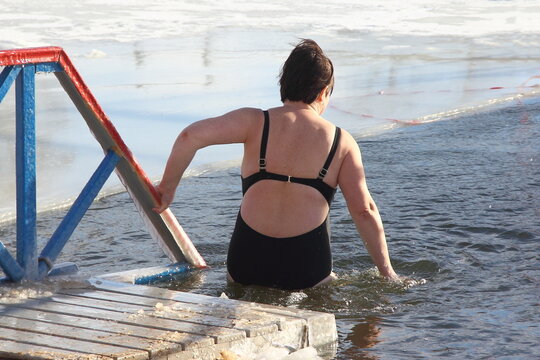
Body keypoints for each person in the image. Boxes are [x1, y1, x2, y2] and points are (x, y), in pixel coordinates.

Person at [153, 39, 398, 290]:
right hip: (306, 268)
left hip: (246, 263)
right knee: (326, 289)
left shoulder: (254, 122)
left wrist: (168, 188)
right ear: (323, 92)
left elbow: (189, 137)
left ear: (284, 82)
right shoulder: (342, 142)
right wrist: (387, 272)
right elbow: (363, 210)